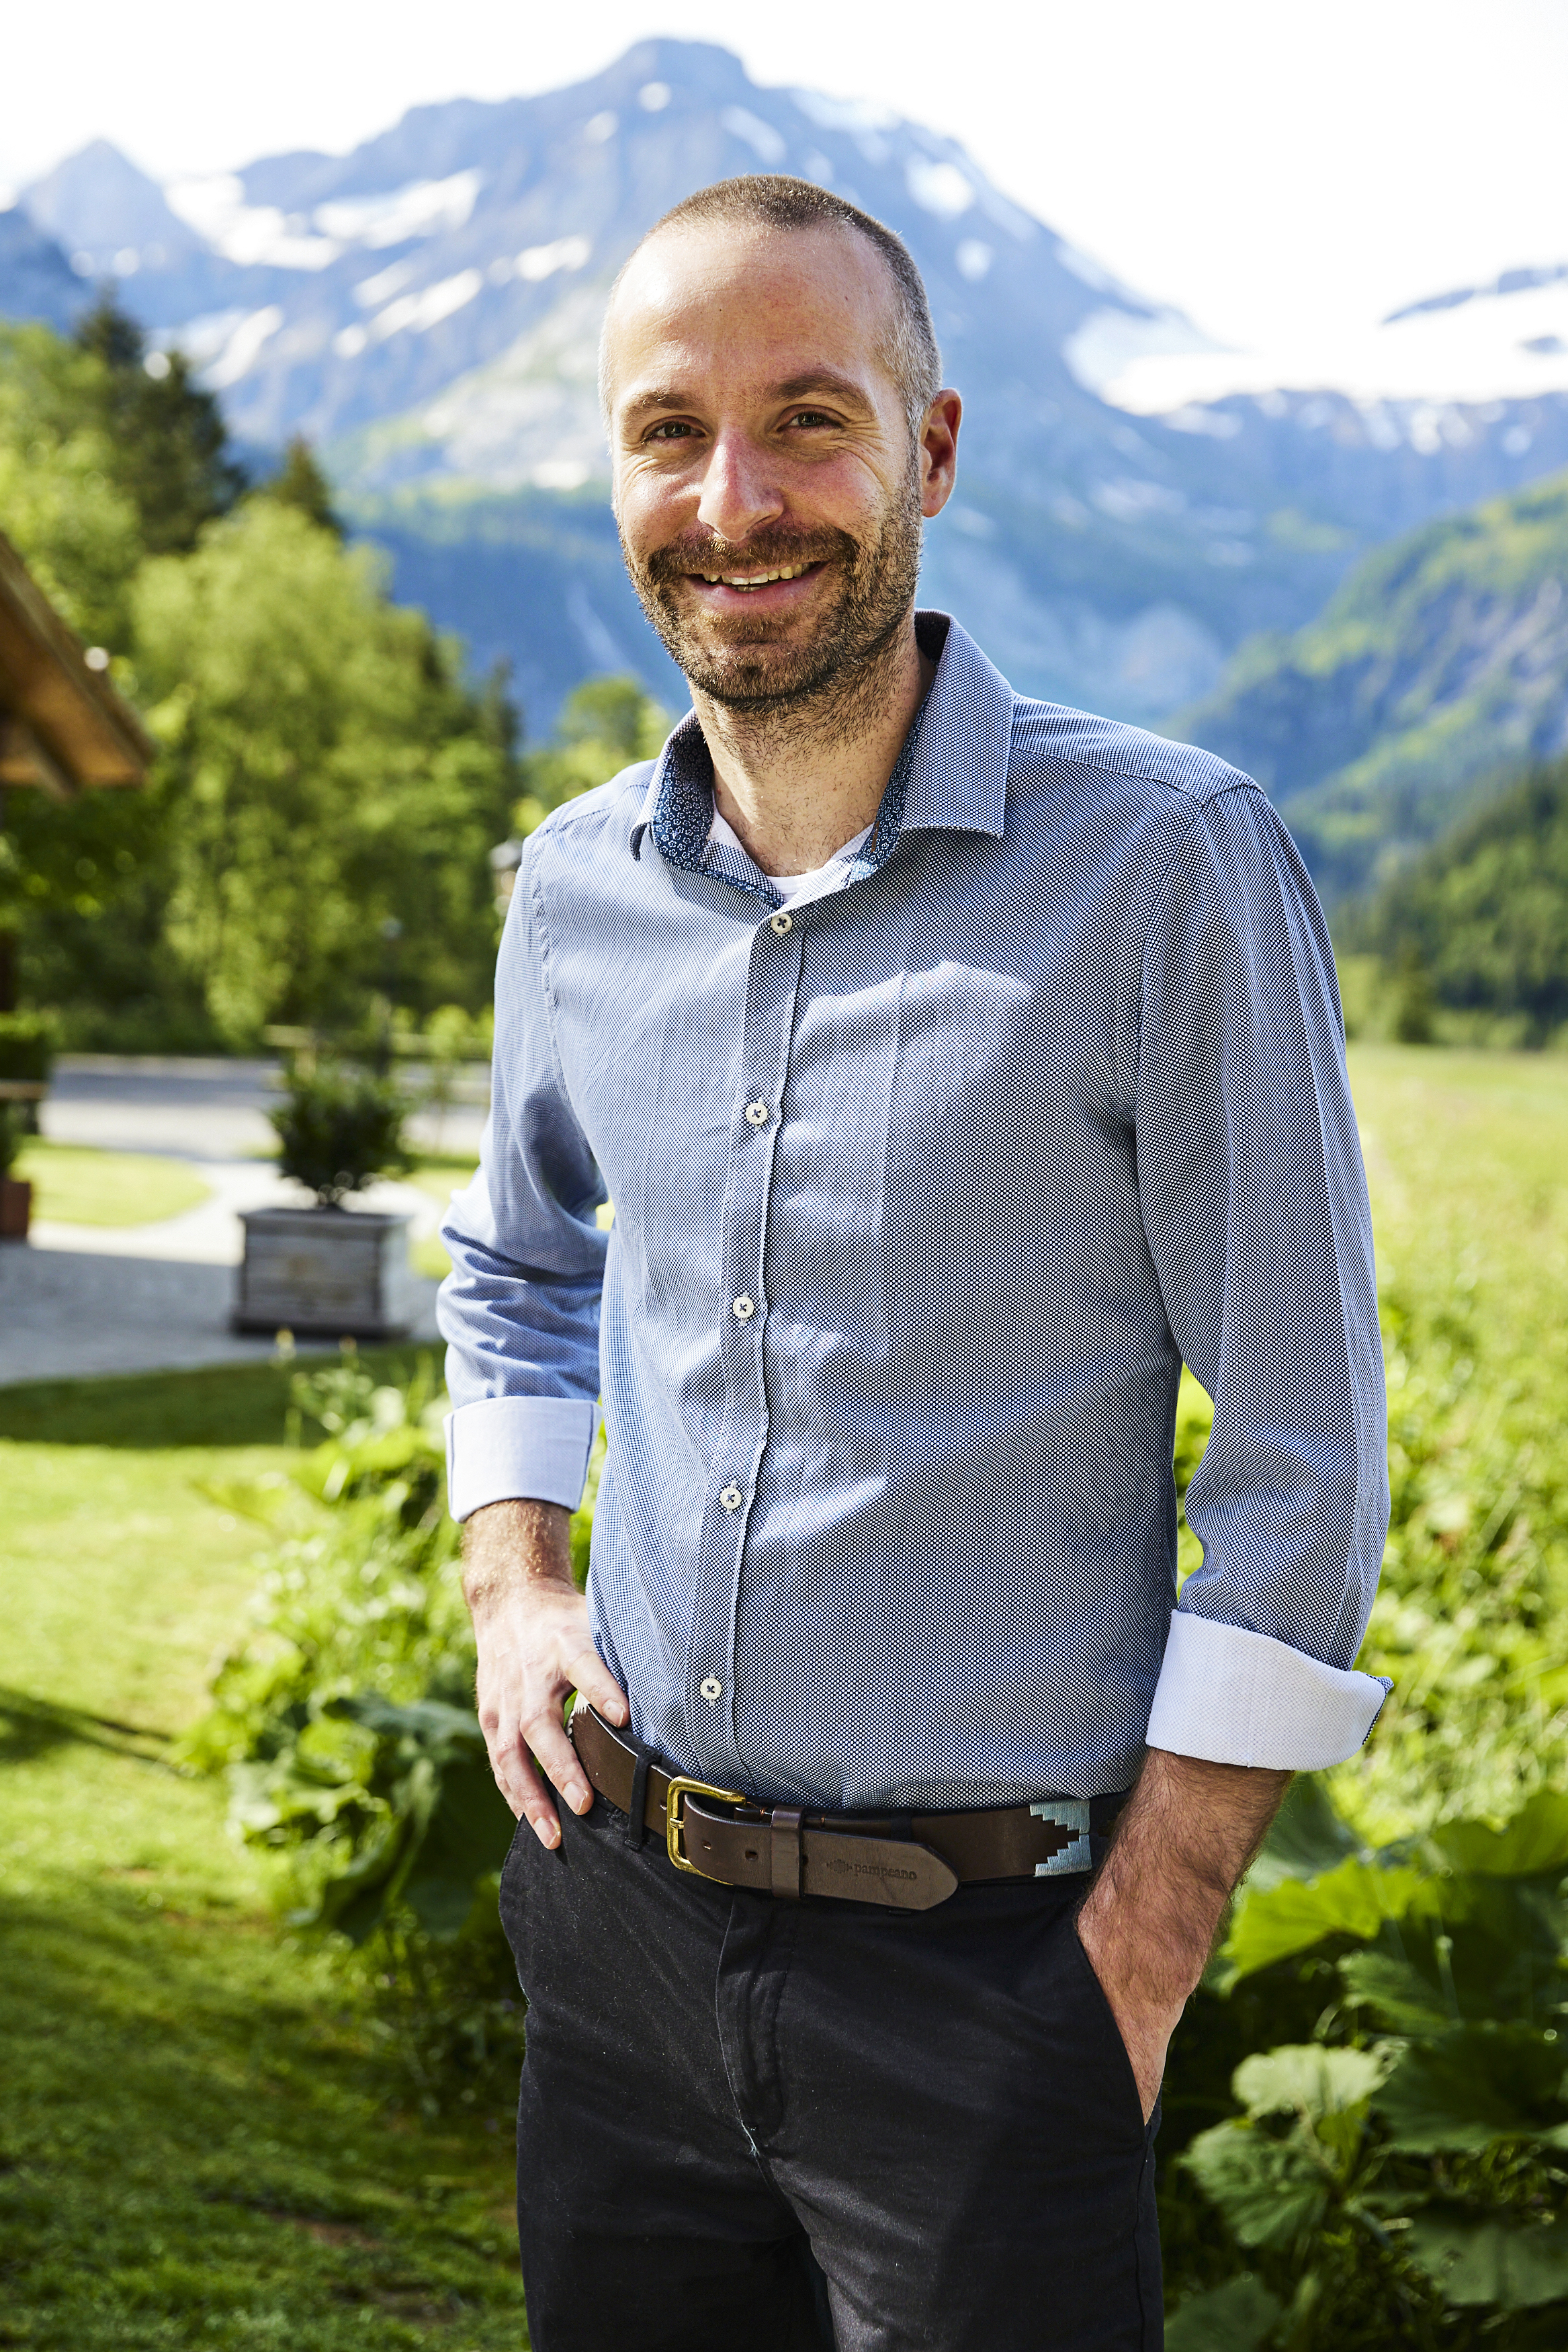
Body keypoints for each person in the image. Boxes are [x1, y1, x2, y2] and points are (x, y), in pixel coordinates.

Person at [437, 174, 1389, 2352]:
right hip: (620, 1933)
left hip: (997, 1975)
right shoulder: (574, 886)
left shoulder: (1170, 866)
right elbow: (516, 1266)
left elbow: (1306, 1456)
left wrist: (1140, 1949)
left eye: (808, 421)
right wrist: (516, 1579)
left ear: (932, 451)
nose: (735, 499)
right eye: (669, 433)